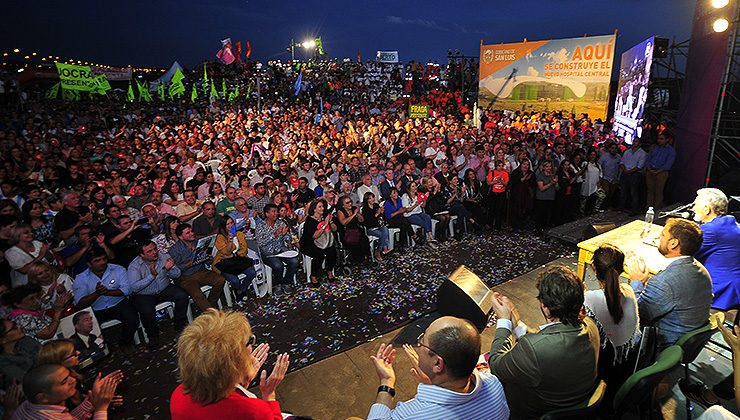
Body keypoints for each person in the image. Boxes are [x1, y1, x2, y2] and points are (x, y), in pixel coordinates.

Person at [488, 265, 600, 418]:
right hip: (576, 402)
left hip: (535, 412)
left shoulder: (535, 350)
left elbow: (496, 365)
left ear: (546, 308)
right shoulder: (590, 326)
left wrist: (503, 322)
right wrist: (517, 324)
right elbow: (547, 340)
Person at [367, 316, 509, 420]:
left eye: (422, 342)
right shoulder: (494, 384)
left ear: (438, 364)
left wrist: (386, 382)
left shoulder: (412, 414)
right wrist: (430, 382)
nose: (419, 345)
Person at [170, 309, 289, 419]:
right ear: (235, 364)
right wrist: (269, 398)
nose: (250, 347)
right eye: (247, 342)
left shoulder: (177, 396)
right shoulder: (252, 410)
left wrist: (241, 384)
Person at [628, 218, 713, 348]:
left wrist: (637, 282)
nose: (658, 237)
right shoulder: (701, 269)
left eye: (662, 234)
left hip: (664, 345)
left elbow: (637, 314)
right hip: (691, 341)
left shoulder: (664, 282)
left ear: (673, 243)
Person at [585, 244, 640, 388]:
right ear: (621, 270)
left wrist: (582, 296)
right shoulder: (629, 290)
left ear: (594, 268)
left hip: (600, 370)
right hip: (626, 366)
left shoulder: (588, 299)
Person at [72, 247, 141, 351]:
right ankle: (104, 348)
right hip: (96, 309)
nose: (102, 262)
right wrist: (97, 293)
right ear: (89, 264)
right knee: (86, 328)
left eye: (104, 259)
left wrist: (108, 292)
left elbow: (127, 290)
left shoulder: (118, 269)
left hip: (118, 303)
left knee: (133, 319)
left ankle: (124, 343)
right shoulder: (81, 278)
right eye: (97, 260)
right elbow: (80, 303)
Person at [127, 241, 189, 349]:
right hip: (144, 294)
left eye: (155, 249)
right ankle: (153, 336)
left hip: (163, 288)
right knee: (147, 310)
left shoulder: (164, 257)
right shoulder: (134, 266)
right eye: (149, 251)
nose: (154, 252)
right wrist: (151, 277)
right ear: (142, 255)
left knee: (182, 295)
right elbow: (134, 288)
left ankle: (180, 326)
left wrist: (170, 269)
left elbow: (177, 274)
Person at [36, 339, 124, 410]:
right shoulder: (57, 390)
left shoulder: (71, 374)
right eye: (73, 353)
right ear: (60, 361)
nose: (78, 353)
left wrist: (103, 399)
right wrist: (99, 404)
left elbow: (81, 397)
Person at [692, 188, 740, 313]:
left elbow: (687, 253)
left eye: (696, 204)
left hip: (720, 291)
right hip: (734, 287)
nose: (693, 208)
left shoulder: (711, 230)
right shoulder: (730, 223)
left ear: (707, 209)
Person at [13, 363, 120, 419]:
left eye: (69, 376)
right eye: (64, 381)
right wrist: (101, 408)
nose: (73, 380)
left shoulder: (26, 406)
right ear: (43, 397)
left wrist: (92, 400)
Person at [169, 224, 226, 312]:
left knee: (220, 280)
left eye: (191, 231)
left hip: (201, 271)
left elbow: (208, 260)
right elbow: (175, 269)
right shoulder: (174, 250)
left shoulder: (199, 242)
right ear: (180, 237)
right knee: (197, 294)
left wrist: (207, 257)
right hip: (186, 277)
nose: (192, 233)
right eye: (188, 233)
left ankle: (210, 305)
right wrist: (189, 264)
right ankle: (212, 314)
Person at [255, 204, 299, 295]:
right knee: (278, 266)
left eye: (276, 211)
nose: (276, 213)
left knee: (295, 262)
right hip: (268, 253)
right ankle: (277, 284)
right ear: (267, 214)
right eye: (273, 211)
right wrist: (274, 235)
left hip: (281, 249)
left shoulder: (280, 223)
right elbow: (260, 243)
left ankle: (286, 282)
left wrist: (286, 237)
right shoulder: (260, 226)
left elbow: (287, 237)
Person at [6, 283, 72, 343]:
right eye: (31, 299)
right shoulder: (23, 318)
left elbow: (44, 303)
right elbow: (48, 334)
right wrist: (58, 312)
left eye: (37, 296)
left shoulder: (31, 308)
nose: (37, 301)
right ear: (18, 304)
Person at [212, 217, 257, 298]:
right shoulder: (219, 237)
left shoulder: (240, 234)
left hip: (238, 261)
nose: (230, 225)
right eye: (227, 224)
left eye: (232, 223)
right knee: (235, 280)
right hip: (224, 264)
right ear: (223, 226)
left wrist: (234, 255)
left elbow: (244, 250)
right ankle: (239, 292)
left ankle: (240, 291)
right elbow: (226, 252)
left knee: (252, 273)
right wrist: (230, 240)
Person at [300, 199, 337, 286]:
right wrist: (325, 224)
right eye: (319, 207)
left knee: (332, 251)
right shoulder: (310, 220)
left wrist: (330, 222)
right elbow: (315, 235)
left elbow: (335, 229)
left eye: (322, 206)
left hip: (323, 242)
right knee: (319, 255)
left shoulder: (324, 216)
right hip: (308, 243)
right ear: (314, 209)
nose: (322, 208)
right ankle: (313, 276)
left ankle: (329, 270)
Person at [0, 319, 41, 389]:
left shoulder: (26, 341)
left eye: (16, 324)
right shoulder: (4, 364)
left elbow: (48, 353)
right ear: (3, 340)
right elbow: (30, 382)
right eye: (14, 328)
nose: (19, 326)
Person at [335, 195, 373, 263]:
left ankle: (367, 257)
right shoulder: (340, 211)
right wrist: (353, 215)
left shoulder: (354, 208)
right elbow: (343, 222)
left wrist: (357, 214)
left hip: (356, 230)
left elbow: (362, 220)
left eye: (350, 202)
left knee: (364, 239)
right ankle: (360, 259)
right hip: (346, 233)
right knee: (355, 243)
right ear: (343, 205)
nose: (350, 204)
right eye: (347, 203)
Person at [645, 133, 675, 209]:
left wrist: (658, 171)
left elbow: (668, 164)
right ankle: (648, 207)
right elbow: (648, 158)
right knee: (650, 191)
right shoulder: (654, 148)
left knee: (659, 191)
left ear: (667, 140)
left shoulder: (671, 150)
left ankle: (656, 208)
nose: (659, 141)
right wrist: (648, 168)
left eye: (661, 139)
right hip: (650, 170)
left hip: (662, 172)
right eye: (658, 139)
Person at [619, 137, 647, 213]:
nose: (635, 143)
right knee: (623, 191)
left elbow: (639, 166)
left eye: (637, 141)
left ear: (640, 143)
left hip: (635, 174)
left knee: (633, 192)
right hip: (625, 172)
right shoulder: (627, 152)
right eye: (634, 141)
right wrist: (625, 170)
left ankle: (634, 209)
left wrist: (629, 172)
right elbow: (622, 162)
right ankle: (621, 207)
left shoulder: (642, 153)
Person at [361, 192, 390, 261]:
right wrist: (377, 213)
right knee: (381, 234)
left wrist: (382, 213)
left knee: (385, 229)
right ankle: (378, 251)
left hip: (378, 225)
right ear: (367, 200)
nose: (372, 199)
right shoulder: (365, 209)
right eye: (370, 198)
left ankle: (383, 248)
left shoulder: (376, 205)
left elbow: (380, 218)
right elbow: (369, 222)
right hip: (370, 228)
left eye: (373, 197)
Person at [534, 160, 558, 235]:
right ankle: (538, 230)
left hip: (550, 198)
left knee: (548, 215)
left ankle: (545, 228)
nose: (549, 168)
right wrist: (551, 183)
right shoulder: (540, 176)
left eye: (550, 166)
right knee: (540, 215)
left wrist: (556, 183)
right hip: (542, 198)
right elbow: (541, 188)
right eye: (547, 166)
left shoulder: (552, 175)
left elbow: (557, 188)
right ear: (544, 168)